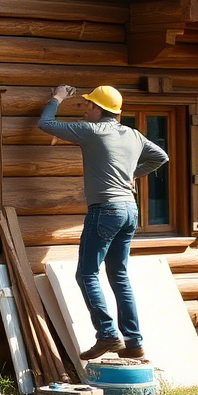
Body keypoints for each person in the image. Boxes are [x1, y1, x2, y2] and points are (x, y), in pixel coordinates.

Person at [38, 84, 168, 360]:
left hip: (105, 211)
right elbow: (160, 157)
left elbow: (45, 123)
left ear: (99, 109)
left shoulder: (92, 131)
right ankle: (133, 341)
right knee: (119, 275)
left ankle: (108, 335)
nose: (85, 110)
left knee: (86, 274)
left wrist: (57, 98)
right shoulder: (133, 134)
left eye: (87, 106)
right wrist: (132, 174)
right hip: (129, 211)